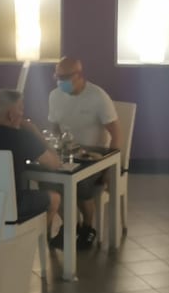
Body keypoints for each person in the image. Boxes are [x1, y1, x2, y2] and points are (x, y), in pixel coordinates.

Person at [0, 88, 62, 235]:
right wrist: (35, 132)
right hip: (10, 206)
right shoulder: (22, 137)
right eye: (21, 109)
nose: (23, 114)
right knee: (54, 198)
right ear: (11, 115)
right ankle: (40, 242)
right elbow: (55, 164)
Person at [46, 58, 121, 250]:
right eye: (57, 76)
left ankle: (88, 227)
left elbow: (116, 134)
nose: (60, 81)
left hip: (95, 157)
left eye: (64, 77)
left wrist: (109, 169)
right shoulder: (54, 96)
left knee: (82, 186)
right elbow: (53, 128)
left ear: (78, 75)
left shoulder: (97, 96)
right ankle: (71, 225)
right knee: (49, 183)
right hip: (68, 153)